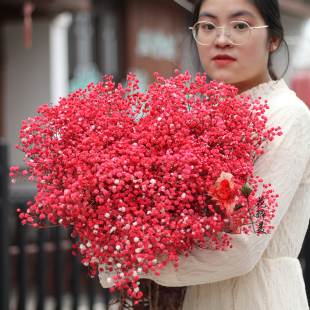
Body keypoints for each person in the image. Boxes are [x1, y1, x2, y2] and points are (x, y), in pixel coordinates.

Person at [99, 0, 310, 309]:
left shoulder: (286, 117)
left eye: (240, 26)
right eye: (208, 26)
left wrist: (130, 258)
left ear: (274, 39)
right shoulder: (204, 124)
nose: (221, 39)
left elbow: (246, 238)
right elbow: (227, 212)